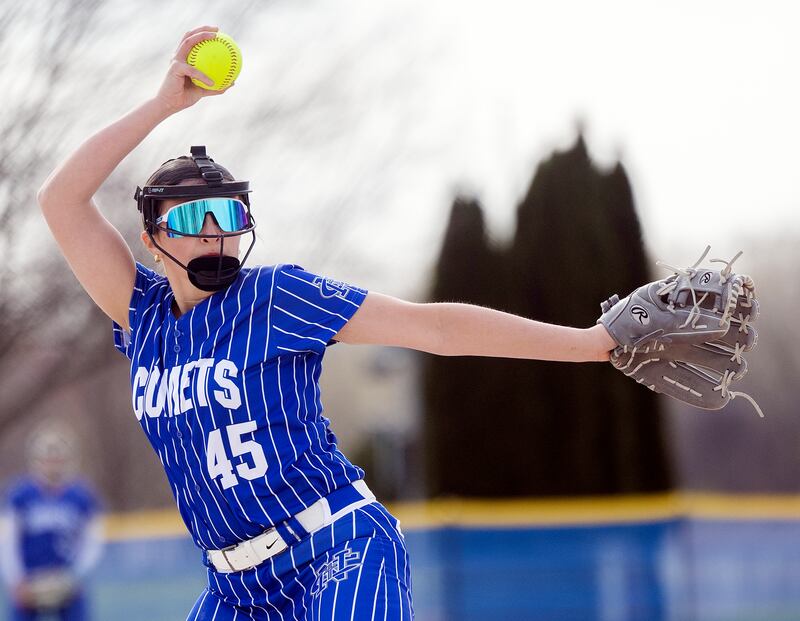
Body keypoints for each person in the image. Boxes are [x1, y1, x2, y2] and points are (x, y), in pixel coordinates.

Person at [37, 26, 615, 620]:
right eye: (191, 216)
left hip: (337, 547)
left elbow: (434, 328)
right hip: (235, 590)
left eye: (228, 211)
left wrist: (593, 344)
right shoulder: (144, 315)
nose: (213, 229)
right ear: (154, 239)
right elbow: (61, 200)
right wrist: (164, 106)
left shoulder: (276, 297)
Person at [0, 426, 103, 621]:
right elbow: (8, 542)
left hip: (67, 580)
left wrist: (76, 576)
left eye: (57, 458)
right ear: (35, 461)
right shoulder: (19, 495)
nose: (52, 464)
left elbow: (92, 542)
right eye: (47, 458)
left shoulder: (81, 496)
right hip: (29, 581)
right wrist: (16, 579)